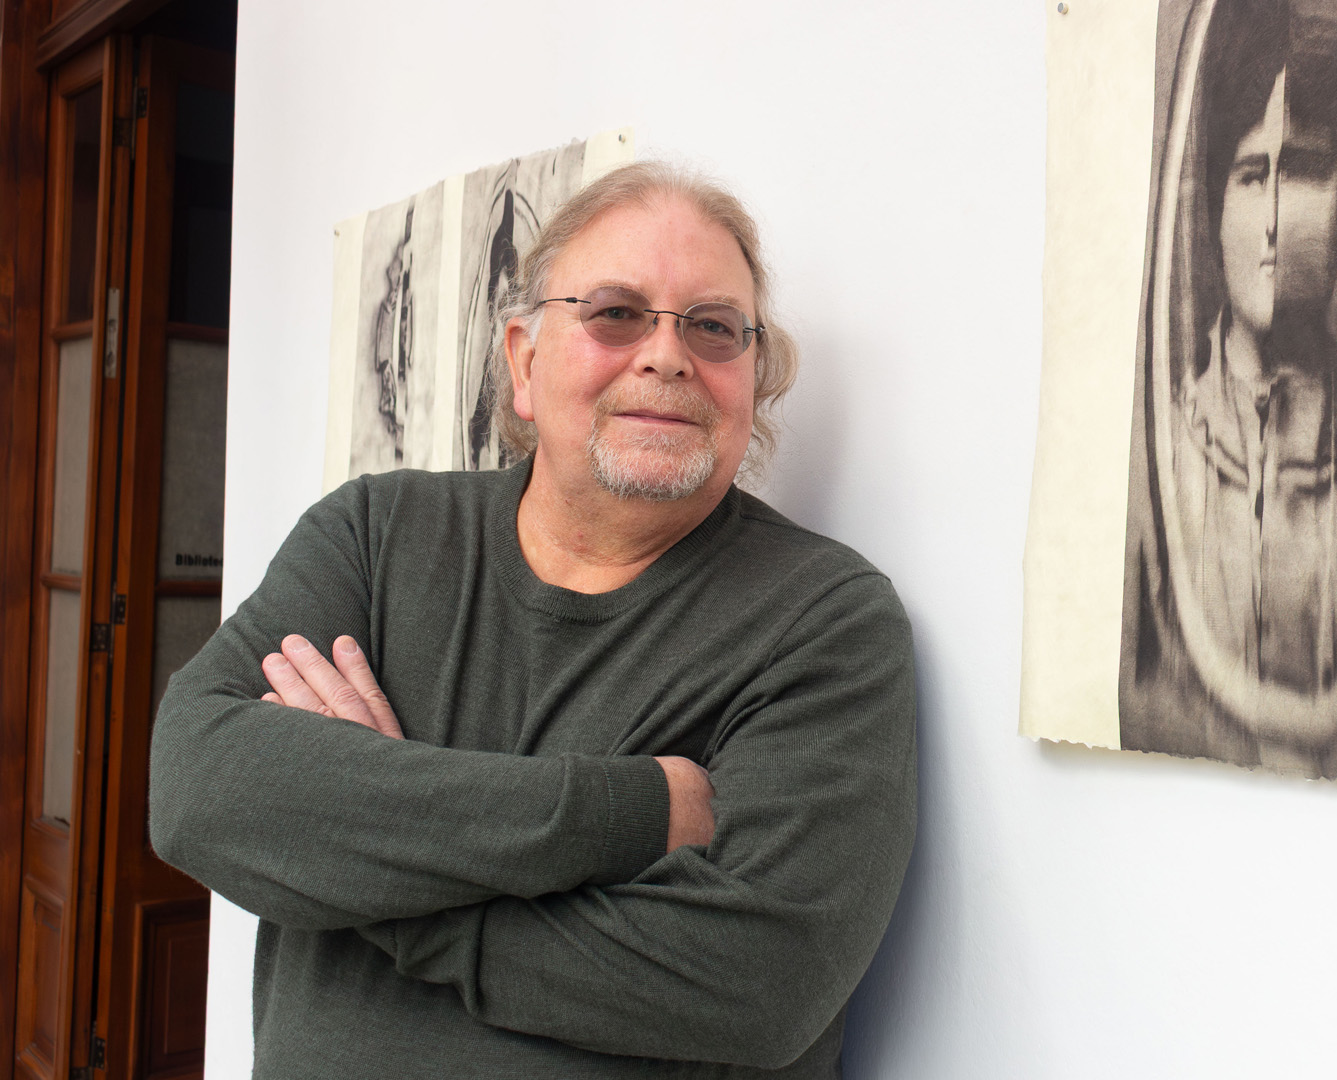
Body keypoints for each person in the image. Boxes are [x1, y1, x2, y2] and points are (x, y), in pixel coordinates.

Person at [148, 162, 917, 1078]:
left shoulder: (824, 620)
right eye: (615, 313)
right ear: (523, 359)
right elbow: (199, 789)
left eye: (714, 326)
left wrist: (362, 858)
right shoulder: (375, 535)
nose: (667, 355)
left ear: (753, 375)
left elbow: (755, 985)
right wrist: (628, 811)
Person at [1171, 6, 1337, 696]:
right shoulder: (1167, 438)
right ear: (1215, 208)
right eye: (1252, 175)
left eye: (1303, 172)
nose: (1273, 219)